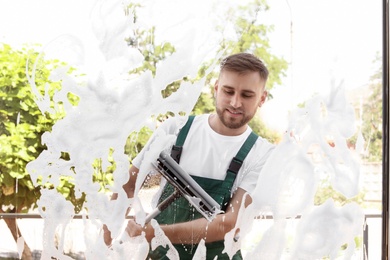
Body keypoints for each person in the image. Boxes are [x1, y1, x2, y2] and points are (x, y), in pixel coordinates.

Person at [103, 52, 275, 259]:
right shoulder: (176, 130)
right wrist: (105, 243)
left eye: (247, 95)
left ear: (262, 98)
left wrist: (156, 233)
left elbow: (229, 224)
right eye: (228, 91)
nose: (235, 102)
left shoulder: (262, 153)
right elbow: (129, 185)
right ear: (216, 88)